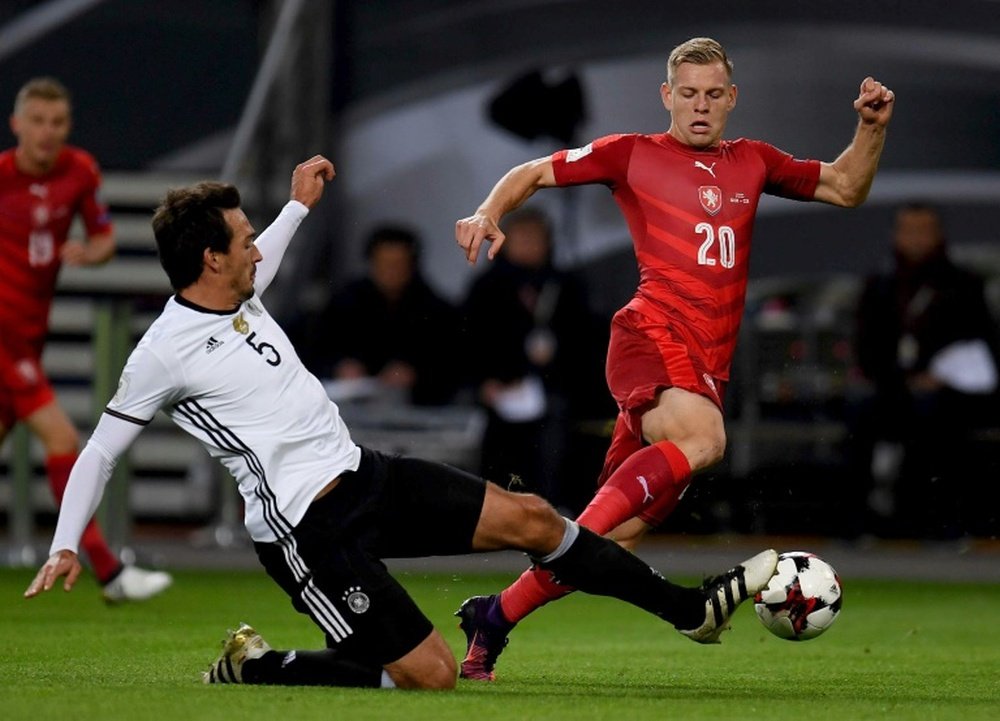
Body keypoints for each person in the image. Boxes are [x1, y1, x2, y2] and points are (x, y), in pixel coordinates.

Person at [24, 154, 779, 690]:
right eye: (244, 238)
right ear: (211, 259)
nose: (257, 246)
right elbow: (99, 452)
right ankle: (259, 664)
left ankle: (686, 609)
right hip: (307, 535)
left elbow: (270, 257)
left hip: (365, 476)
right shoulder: (162, 351)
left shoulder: (241, 291)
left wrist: (297, 205)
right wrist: (65, 544)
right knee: (430, 676)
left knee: (533, 518)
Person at [453, 36, 895, 680]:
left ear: (732, 99)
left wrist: (870, 128)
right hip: (650, 337)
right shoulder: (630, 155)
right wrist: (488, 210)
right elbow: (535, 173)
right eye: (687, 93)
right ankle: (554, 570)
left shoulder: (754, 162)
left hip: (703, 367)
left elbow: (846, 186)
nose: (700, 106)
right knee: (705, 437)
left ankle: (493, 619)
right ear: (667, 96)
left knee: (614, 541)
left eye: (713, 94)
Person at [0, 76, 171, 602]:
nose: (47, 133)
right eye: (37, 121)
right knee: (63, 440)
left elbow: (102, 239)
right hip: (4, 334)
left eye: (57, 122)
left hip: (30, 335)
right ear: (17, 125)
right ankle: (109, 572)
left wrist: (88, 252)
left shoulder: (80, 172)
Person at [847, 202, 1000, 539]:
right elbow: (867, 347)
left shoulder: (964, 284)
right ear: (896, 235)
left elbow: (981, 342)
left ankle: (936, 522)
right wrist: (899, 379)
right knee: (859, 412)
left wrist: (938, 375)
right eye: (908, 230)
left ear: (938, 235)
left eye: (923, 231)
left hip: (948, 392)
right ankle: (860, 523)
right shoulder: (880, 285)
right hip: (892, 387)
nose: (916, 239)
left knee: (937, 419)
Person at [462, 206, 599, 508]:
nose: (529, 245)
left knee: (556, 440)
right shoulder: (486, 288)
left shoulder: (565, 285)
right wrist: (486, 382)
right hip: (499, 388)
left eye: (536, 238)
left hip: (554, 388)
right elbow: (471, 341)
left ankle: (552, 509)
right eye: (521, 238)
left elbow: (585, 339)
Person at [313, 224, 460, 406]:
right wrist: (340, 366)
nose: (390, 272)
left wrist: (415, 373)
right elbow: (318, 346)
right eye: (383, 264)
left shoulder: (436, 309)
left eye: (398, 265)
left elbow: (451, 361)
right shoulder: (345, 301)